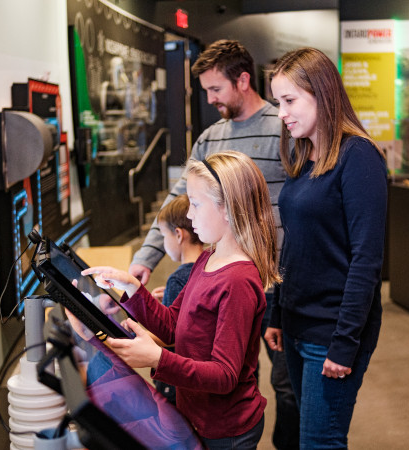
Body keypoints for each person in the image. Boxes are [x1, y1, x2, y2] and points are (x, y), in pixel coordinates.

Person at [128, 39, 300, 449]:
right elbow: (177, 201)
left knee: (285, 389)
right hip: (225, 271)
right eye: (204, 90)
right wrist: (146, 257)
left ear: (243, 80)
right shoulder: (210, 139)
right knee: (231, 378)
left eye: (216, 89)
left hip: (275, 283)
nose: (210, 99)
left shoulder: (285, 127)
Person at [69, 151, 280, 449]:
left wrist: (157, 358)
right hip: (196, 415)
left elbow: (225, 374)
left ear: (228, 209)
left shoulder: (238, 281)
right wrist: (130, 287)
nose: (190, 214)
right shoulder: (207, 258)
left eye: (195, 204)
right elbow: (172, 324)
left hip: (225, 430)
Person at [264, 47, 387, 449]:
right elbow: (293, 246)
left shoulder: (359, 157)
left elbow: (366, 261)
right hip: (298, 323)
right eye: (278, 101)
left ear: (322, 93)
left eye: (289, 100)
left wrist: (345, 342)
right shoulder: (305, 155)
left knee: (321, 442)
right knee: (308, 437)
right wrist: (277, 313)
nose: (281, 113)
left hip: (332, 330)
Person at [150, 194, 204, 404]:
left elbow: (169, 335)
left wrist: (129, 337)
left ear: (179, 235)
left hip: (176, 383)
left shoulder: (177, 280)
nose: (164, 243)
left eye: (164, 236)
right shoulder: (207, 265)